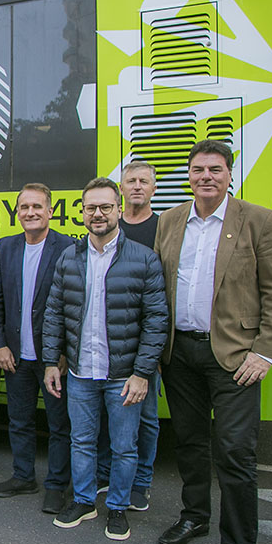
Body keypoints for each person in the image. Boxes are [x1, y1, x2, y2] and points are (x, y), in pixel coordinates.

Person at [155, 140, 272, 544]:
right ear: (188, 176)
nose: (206, 177)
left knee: (234, 452)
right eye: (198, 170)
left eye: (215, 169)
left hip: (234, 358)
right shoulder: (171, 221)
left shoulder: (258, 220)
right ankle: (194, 516)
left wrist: (264, 352)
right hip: (180, 354)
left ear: (230, 174)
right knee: (191, 444)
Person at [42, 177, 168, 542]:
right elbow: (54, 312)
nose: (98, 214)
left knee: (123, 446)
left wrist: (143, 372)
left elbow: (156, 320)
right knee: (81, 441)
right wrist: (52, 361)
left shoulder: (144, 259)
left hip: (124, 374)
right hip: (81, 371)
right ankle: (84, 501)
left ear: (118, 210)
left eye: (105, 207)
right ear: (83, 213)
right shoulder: (70, 257)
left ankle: (117, 506)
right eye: (91, 207)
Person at [0, 183, 75, 513]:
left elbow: (73, 304)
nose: (31, 213)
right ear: (17, 213)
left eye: (37, 206)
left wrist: (64, 351)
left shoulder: (67, 247)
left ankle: (56, 485)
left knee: (58, 425)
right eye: (24, 207)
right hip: (15, 356)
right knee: (20, 419)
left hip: (53, 357)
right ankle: (23, 476)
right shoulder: (6, 247)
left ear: (50, 211)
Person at [95, 161, 161, 510]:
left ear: (154, 187)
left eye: (144, 181)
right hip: (107, 343)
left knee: (147, 418)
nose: (137, 186)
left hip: (143, 346)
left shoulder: (163, 229)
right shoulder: (108, 227)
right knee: (110, 414)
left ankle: (141, 482)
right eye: (131, 181)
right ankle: (106, 473)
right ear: (121, 190)